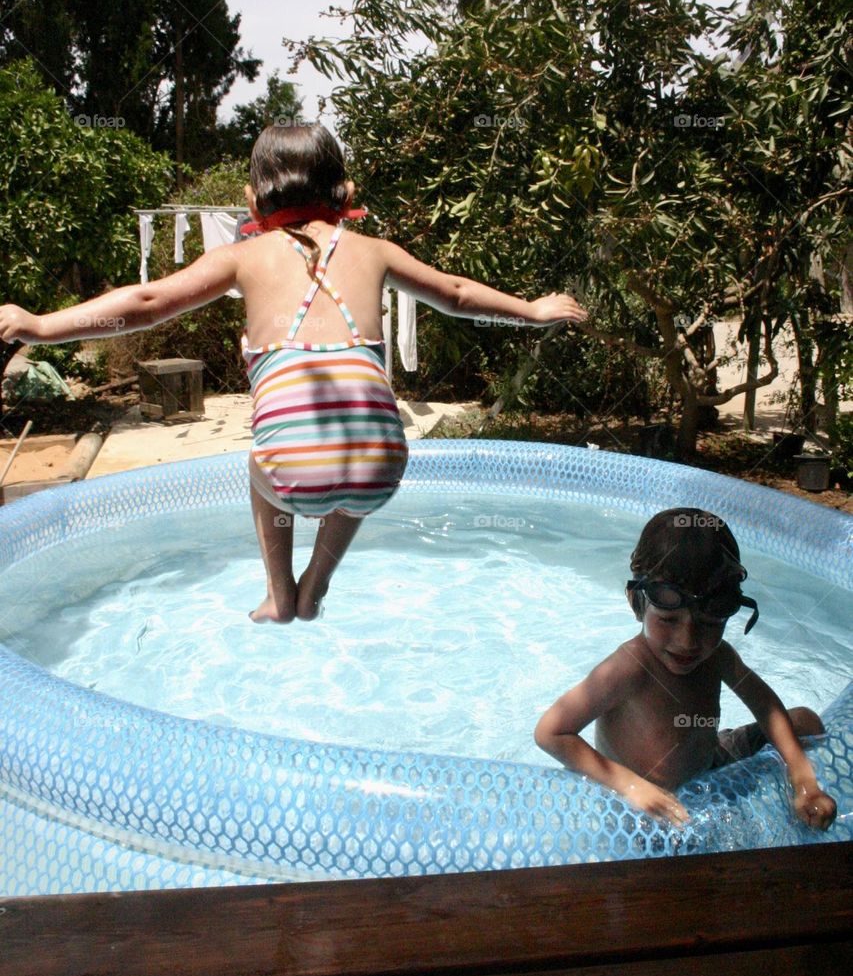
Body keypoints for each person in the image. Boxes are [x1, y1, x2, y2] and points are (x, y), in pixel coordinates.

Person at [0, 123, 587, 623]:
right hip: (382, 468)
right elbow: (457, 294)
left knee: (263, 456)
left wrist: (41, 325)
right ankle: (319, 579)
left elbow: (147, 303)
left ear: (253, 204)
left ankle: (281, 591)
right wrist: (532, 311)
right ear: (347, 192)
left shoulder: (242, 256)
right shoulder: (376, 251)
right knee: (353, 467)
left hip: (291, 471)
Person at [534, 507, 837, 829]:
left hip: (712, 762)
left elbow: (765, 705)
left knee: (805, 722)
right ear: (636, 603)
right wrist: (631, 786)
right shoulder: (628, 668)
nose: (687, 641)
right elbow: (551, 732)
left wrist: (802, 776)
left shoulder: (718, 655)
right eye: (667, 620)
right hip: (642, 802)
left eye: (709, 624)